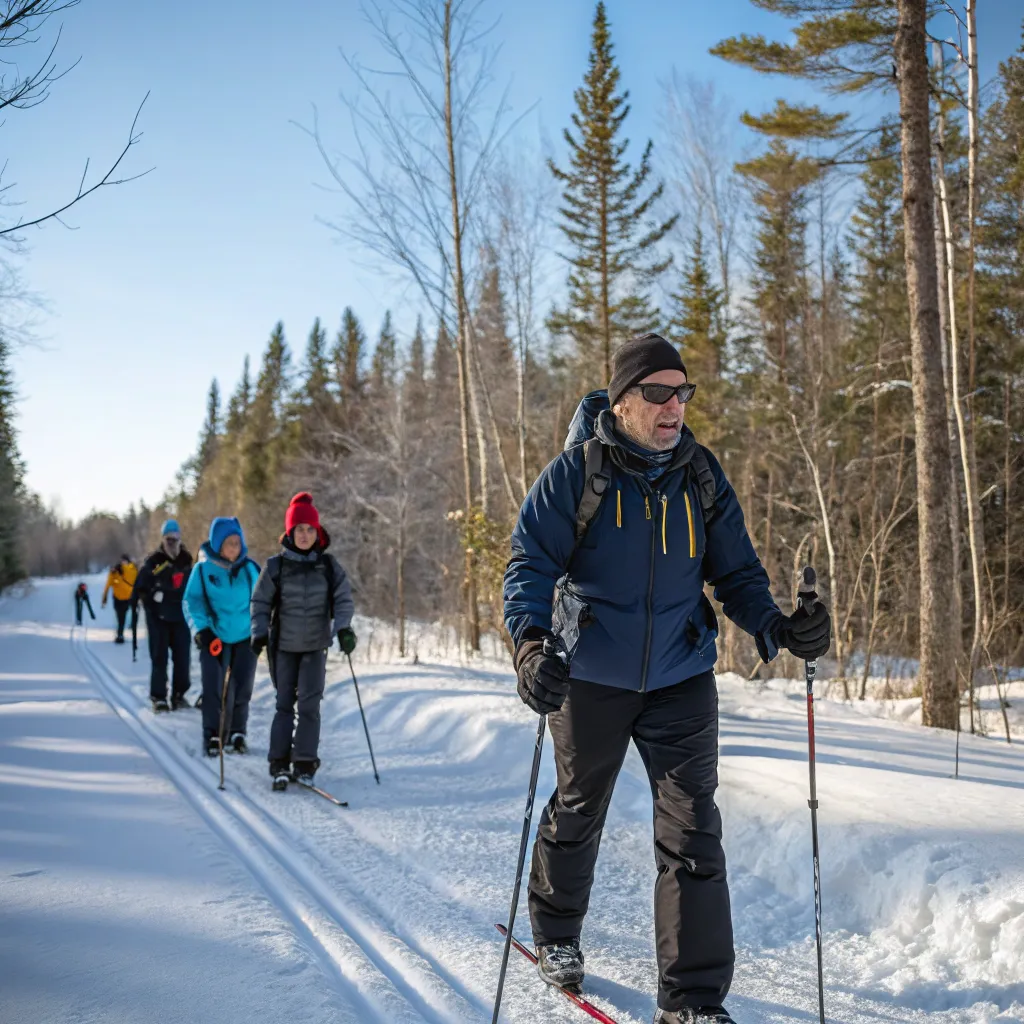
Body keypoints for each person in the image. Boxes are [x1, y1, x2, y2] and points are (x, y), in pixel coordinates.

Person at [503, 334, 832, 1024]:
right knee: (579, 807)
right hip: (590, 675)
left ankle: (692, 1001)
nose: (674, 406)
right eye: (657, 392)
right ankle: (557, 934)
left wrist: (778, 628)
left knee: (692, 834)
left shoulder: (701, 475)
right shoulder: (575, 475)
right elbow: (529, 565)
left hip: (681, 676)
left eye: (683, 392)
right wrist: (531, 647)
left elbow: (736, 573)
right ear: (622, 401)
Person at [250, 492, 355, 791]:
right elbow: (259, 604)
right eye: (300, 529)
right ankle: (279, 763)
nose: (305, 534)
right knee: (284, 705)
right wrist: (259, 632)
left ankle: (305, 763)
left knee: (310, 706)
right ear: (289, 532)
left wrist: (344, 629)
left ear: (318, 532)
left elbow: (343, 601)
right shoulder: (275, 567)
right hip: (283, 648)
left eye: (310, 529)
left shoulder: (329, 567)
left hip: (314, 647)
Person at [183, 517, 261, 758]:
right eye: (229, 543)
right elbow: (192, 602)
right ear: (218, 544)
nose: (234, 548)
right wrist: (201, 630)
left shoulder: (249, 569)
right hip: (214, 636)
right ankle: (214, 735)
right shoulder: (203, 569)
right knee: (214, 688)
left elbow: (263, 601)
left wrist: (263, 628)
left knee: (242, 686)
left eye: (238, 543)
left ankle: (238, 733)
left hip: (244, 636)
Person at [131, 520, 194, 713]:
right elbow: (140, 588)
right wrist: (151, 601)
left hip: (180, 616)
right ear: (163, 539)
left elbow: (194, 585)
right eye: (168, 539)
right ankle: (158, 698)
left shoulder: (186, 559)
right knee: (159, 658)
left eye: (175, 538)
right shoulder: (153, 561)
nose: (172, 542)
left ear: (180, 538)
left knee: (183, 658)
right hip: (157, 618)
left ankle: (179, 695)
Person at [102, 554, 137, 644]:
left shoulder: (132, 570)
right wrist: (104, 597)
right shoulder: (116, 571)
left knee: (127, 615)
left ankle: (124, 633)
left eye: (125, 561)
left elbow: (138, 582)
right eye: (122, 561)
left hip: (128, 598)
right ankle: (120, 634)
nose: (123, 563)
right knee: (121, 617)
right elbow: (108, 584)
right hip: (118, 599)